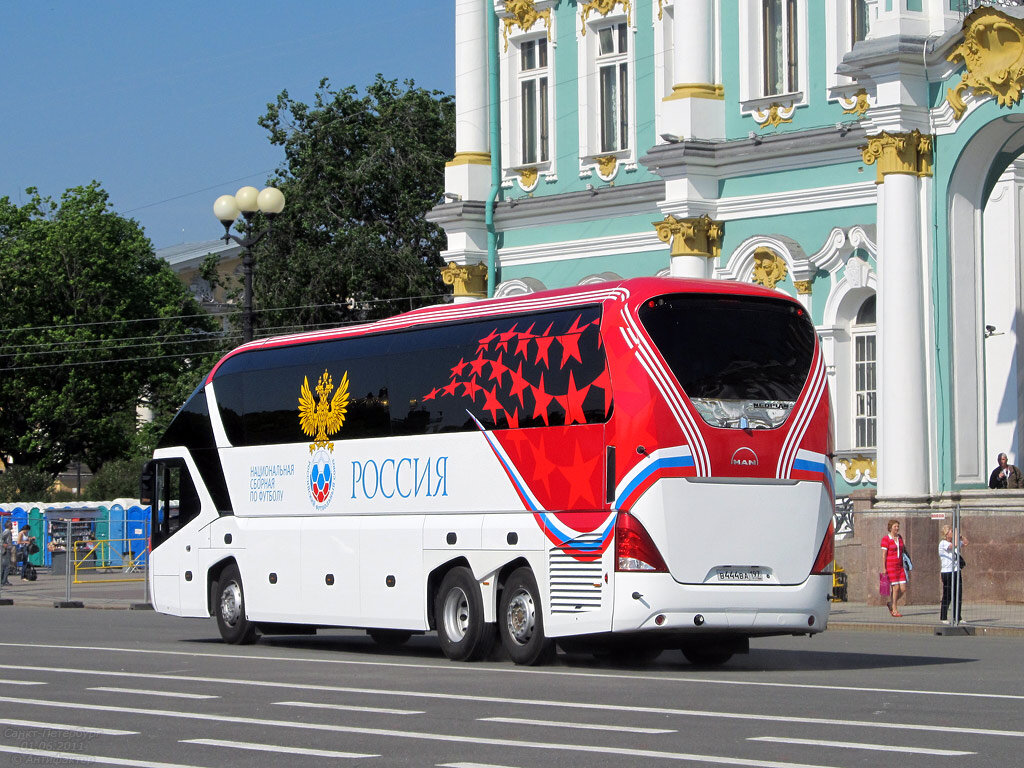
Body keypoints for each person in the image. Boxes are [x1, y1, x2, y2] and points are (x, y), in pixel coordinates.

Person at [939, 525, 967, 624]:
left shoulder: (954, 541)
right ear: (946, 534)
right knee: (947, 595)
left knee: (958, 594)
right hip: (947, 572)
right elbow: (954, 546)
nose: (952, 533)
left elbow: (966, 543)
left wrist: (960, 536)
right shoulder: (943, 543)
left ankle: (957, 617)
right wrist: (956, 534)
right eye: (951, 531)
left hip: (956, 571)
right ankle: (943, 617)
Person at [880, 519, 908, 617]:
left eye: (898, 526)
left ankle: (892, 603)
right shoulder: (886, 539)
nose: (897, 528)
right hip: (891, 566)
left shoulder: (899, 537)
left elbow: (902, 550)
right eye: (895, 526)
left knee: (903, 588)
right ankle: (894, 609)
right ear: (890, 527)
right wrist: (884, 568)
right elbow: (884, 554)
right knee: (895, 588)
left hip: (900, 566)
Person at [0, 520, 13, 586]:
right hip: (6, 550)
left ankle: (4, 580)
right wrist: (3, 544)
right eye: (11, 525)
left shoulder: (7, 532)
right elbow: (1, 538)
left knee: (4, 565)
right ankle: (4, 580)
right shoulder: (7, 532)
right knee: (7, 566)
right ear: (9, 526)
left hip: (6, 549)